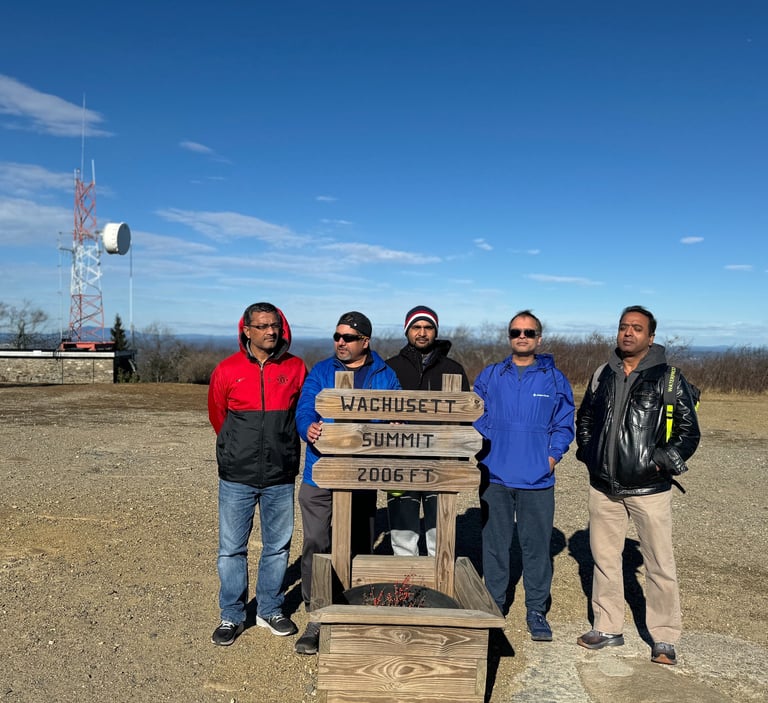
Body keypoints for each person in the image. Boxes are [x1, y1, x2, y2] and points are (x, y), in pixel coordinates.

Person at [575, 305, 700, 665]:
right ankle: (607, 627)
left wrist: (659, 461)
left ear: (651, 337)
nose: (628, 333)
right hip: (603, 487)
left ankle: (664, 637)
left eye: (637, 328)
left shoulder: (669, 377)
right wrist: (589, 452)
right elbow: (586, 418)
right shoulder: (603, 373)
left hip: (649, 489)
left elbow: (689, 432)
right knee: (604, 560)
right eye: (623, 327)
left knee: (659, 563)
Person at [294, 311, 401, 655]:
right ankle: (317, 613)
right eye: (337, 336)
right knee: (316, 541)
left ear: (365, 342)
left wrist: (384, 428)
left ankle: (354, 606)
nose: (340, 342)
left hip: (363, 473)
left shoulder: (385, 375)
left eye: (348, 338)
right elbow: (305, 407)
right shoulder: (322, 370)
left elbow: (396, 414)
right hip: (320, 471)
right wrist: (307, 426)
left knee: (359, 542)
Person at [207, 302, 307, 646]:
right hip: (237, 475)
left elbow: (301, 413)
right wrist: (236, 450)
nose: (270, 331)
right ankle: (232, 615)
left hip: (280, 474)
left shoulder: (296, 367)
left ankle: (270, 609)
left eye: (274, 325)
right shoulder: (227, 369)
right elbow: (218, 416)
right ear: (246, 330)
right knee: (231, 549)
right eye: (262, 326)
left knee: (277, 547)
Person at [473, 310, 575, 641]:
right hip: (495, 476)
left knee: (536, 548)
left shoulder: (554, 379)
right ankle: (494, 605)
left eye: (529, 332)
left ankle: (536, 610)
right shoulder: (491, 375)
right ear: (509, 337)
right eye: (516, 331)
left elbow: (564, 423)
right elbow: (474, 413)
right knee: (495, 547)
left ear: (539, 339)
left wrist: (551, 457)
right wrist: (491, 442)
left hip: (537, 479)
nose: (522, 336)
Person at [385, 305, 470, 556]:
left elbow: (465, 419)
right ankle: (406, 579)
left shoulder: (453, 369)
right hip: (400, 462)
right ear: (407, 331)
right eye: (416, 327)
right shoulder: (390, 368)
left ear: (435, 331)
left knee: (439, 531)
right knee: (402, 535)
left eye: (428, 327)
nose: (422, 332)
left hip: (441, 461)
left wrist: (459, 462)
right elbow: (376, 414)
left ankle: (439, 579)